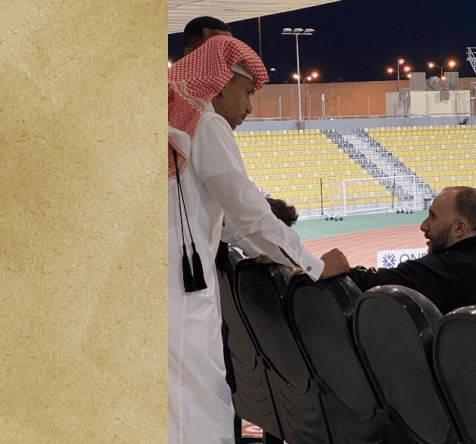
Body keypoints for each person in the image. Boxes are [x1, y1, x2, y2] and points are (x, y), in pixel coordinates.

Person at [168, 35, 349, 444]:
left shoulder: (179, 122)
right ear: (221, 84)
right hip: (178, 296)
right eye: (248, 92)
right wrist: (314, 265)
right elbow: (249, 212)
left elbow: (217, 218)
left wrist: (264, 252)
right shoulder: (206, 123)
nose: (250, 107)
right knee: (197, 399)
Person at [347, 186, 476, 331]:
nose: (423, 225)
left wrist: (336, 264)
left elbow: (364, 282)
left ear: (459, 228)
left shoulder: (441, 269)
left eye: (432, 217)